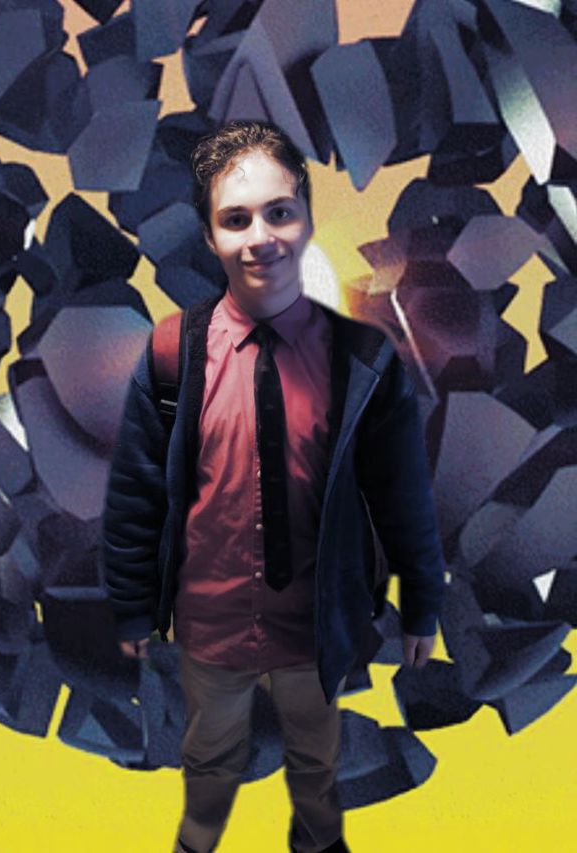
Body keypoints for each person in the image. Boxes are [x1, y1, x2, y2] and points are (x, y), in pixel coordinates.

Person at [101, 120, 447, 853]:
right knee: (210, 761)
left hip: (318, 617)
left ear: (306, 219)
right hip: (210, 616)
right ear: (209, 235)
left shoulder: (363, 357)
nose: (260, 236)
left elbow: (401, 491)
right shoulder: (171, 351)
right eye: (236, 219)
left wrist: (421, 600)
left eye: (278, 212)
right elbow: (137, 487)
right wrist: (132, 605)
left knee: (316, 761)